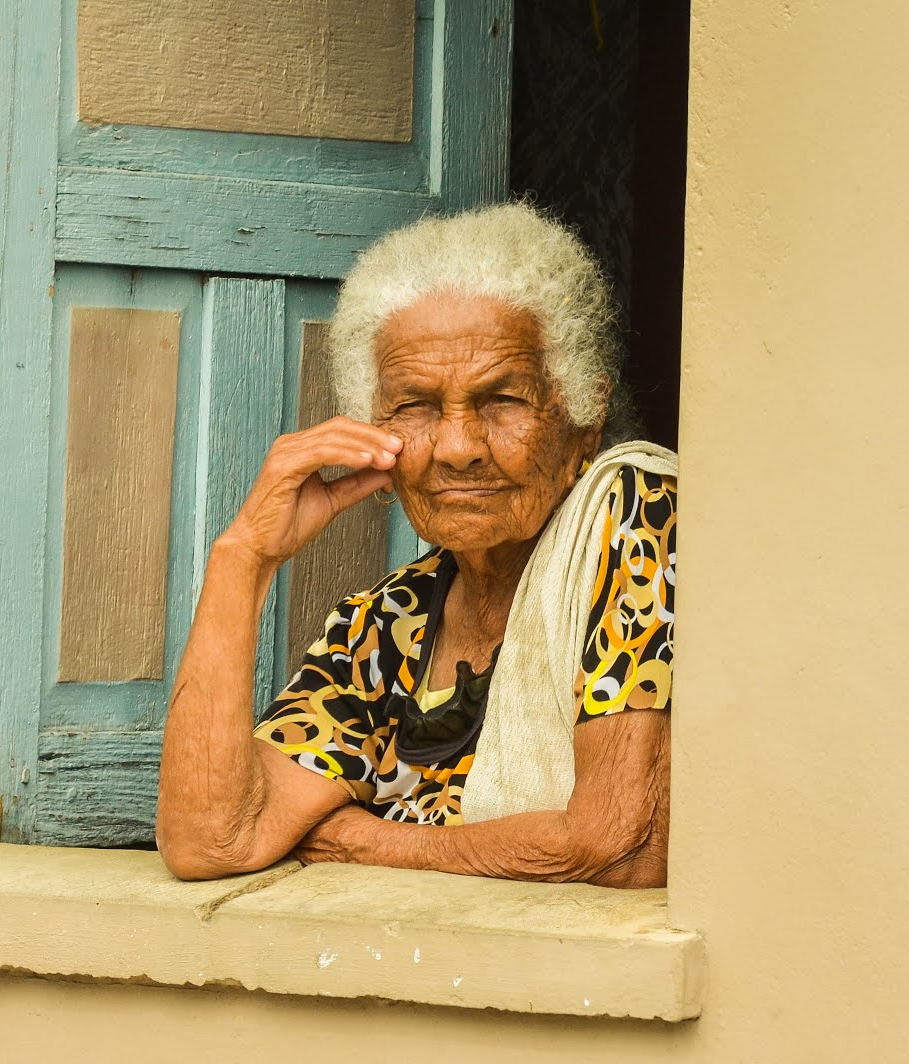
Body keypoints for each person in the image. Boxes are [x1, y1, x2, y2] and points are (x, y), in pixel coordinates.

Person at [156, 203, 676, 888]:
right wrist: (243, 558)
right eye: (418, 407)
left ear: (583, 417)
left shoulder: (636, 511)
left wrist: (363, 841)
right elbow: (212, 841)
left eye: (503, 400)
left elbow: (621, 847)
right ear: (376, 436)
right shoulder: (389, 626)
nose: (459, 448)